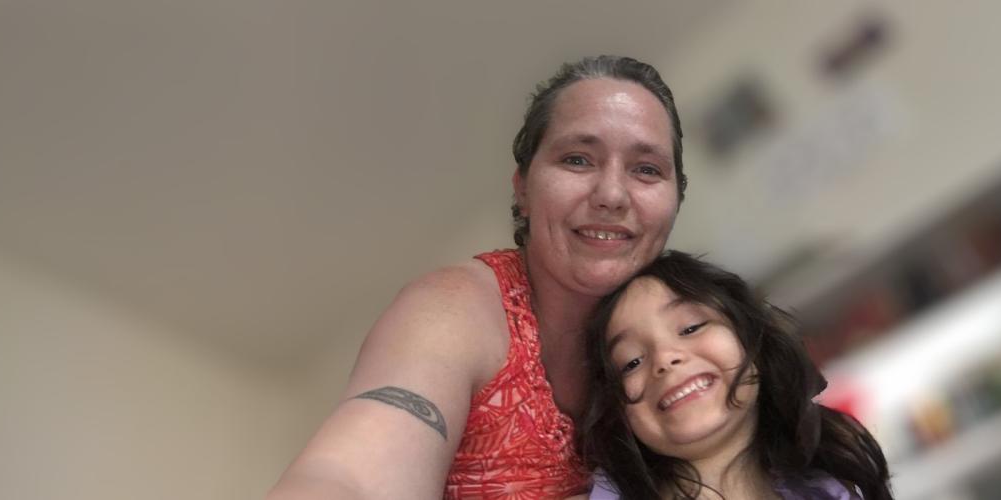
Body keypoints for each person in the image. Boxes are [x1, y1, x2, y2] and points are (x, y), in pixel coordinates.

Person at [267, 55, 689, 499]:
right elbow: (352, 476)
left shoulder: (696, 339)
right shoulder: (452, 310)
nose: (611, 195)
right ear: (523, 189)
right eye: (578, 160)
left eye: (646, 169)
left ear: (677, 197)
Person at [574, 252, 894, 499]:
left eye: (690, 328)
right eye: (631, 362)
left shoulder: (829, 491)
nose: (664, 359)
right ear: (617, 413)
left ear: (754, 343)